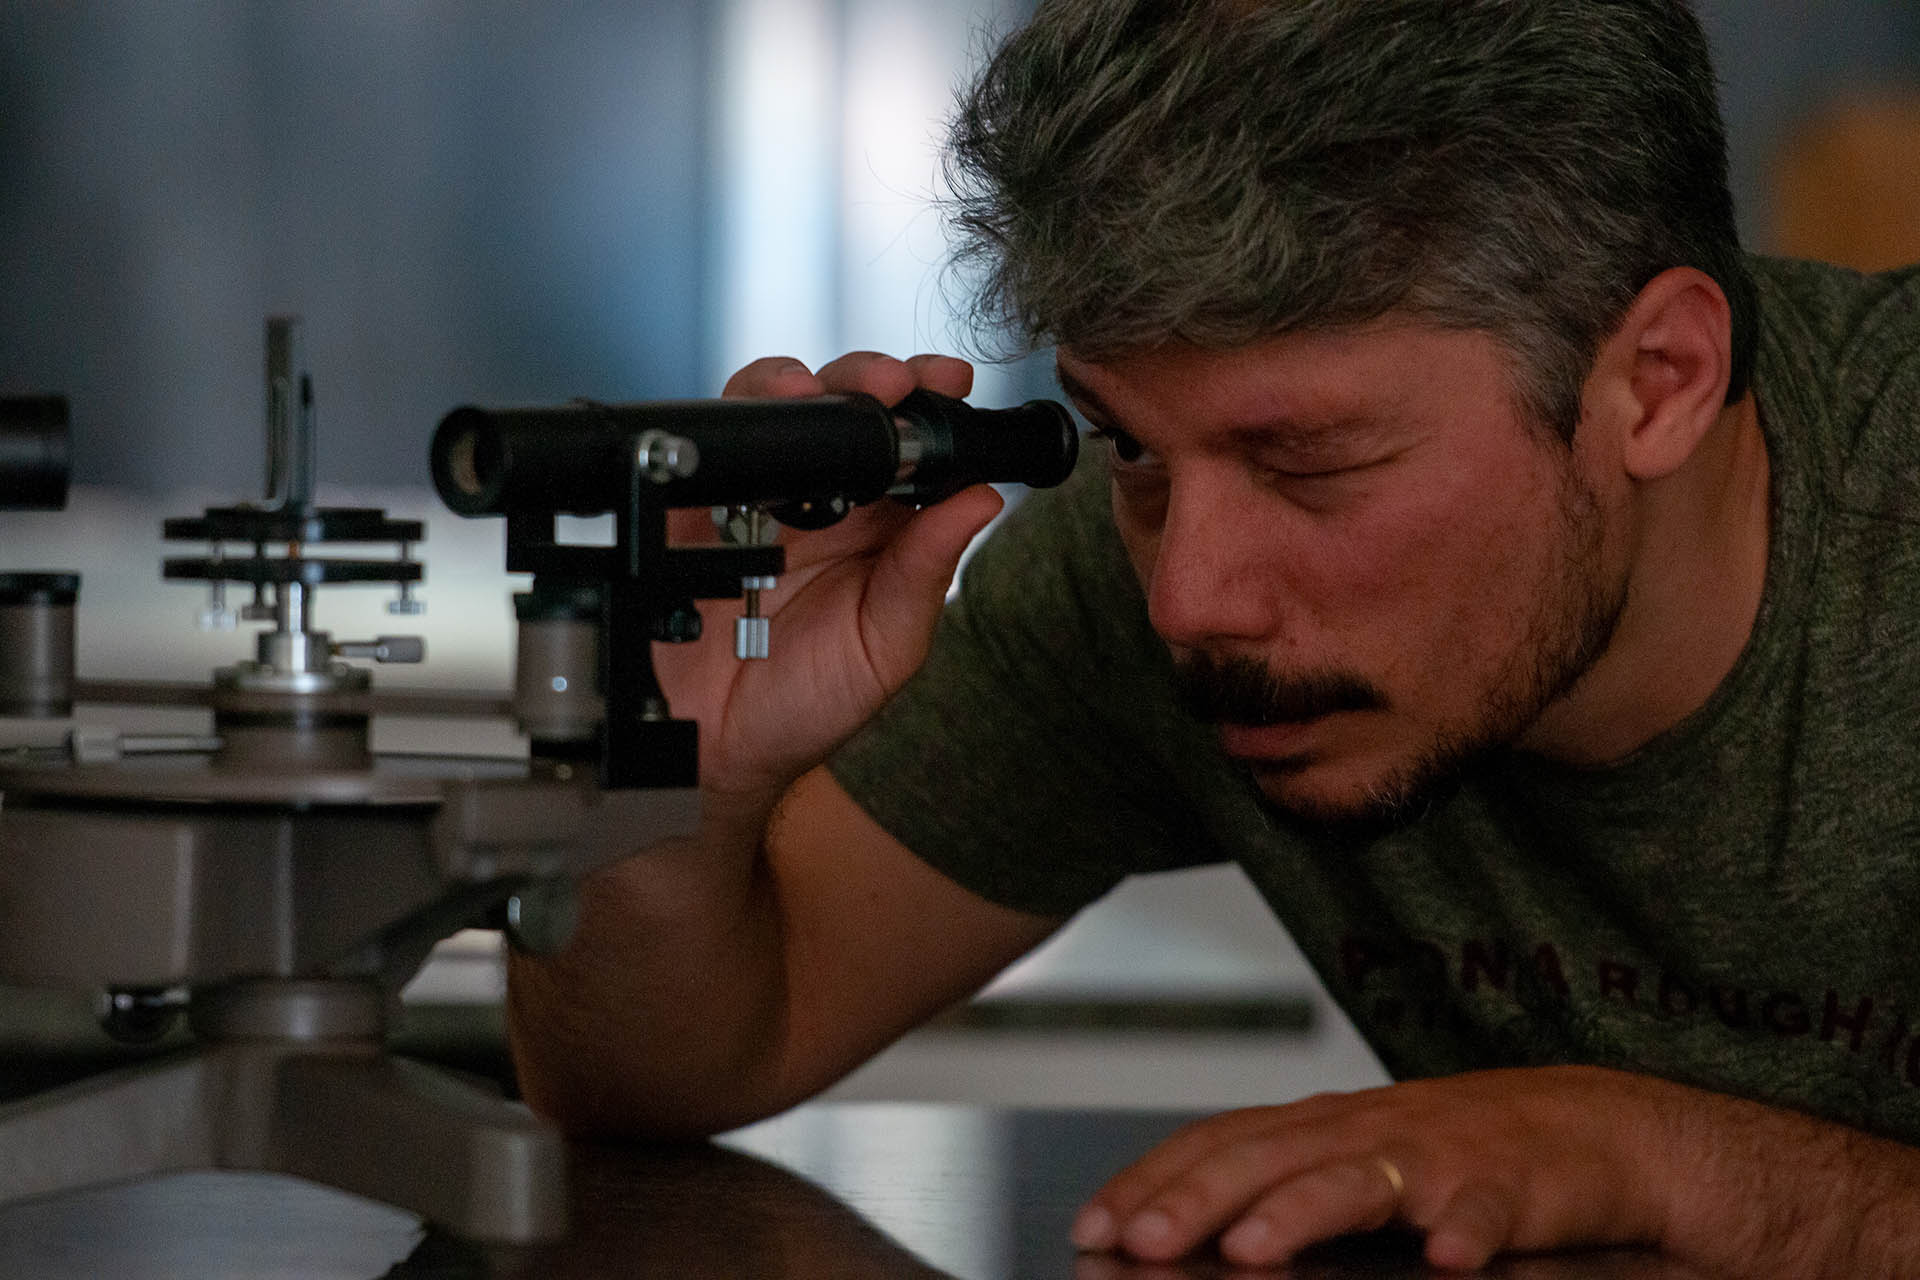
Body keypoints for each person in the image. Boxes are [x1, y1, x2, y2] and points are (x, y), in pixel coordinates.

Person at [507, 0, 1920, 1273]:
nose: (1192, 597)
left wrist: (1655, 1158)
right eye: (1129, 446)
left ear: (1658, 383)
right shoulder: (1137, 574)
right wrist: (671, 782)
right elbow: (654, 1075)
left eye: (1310, 464)